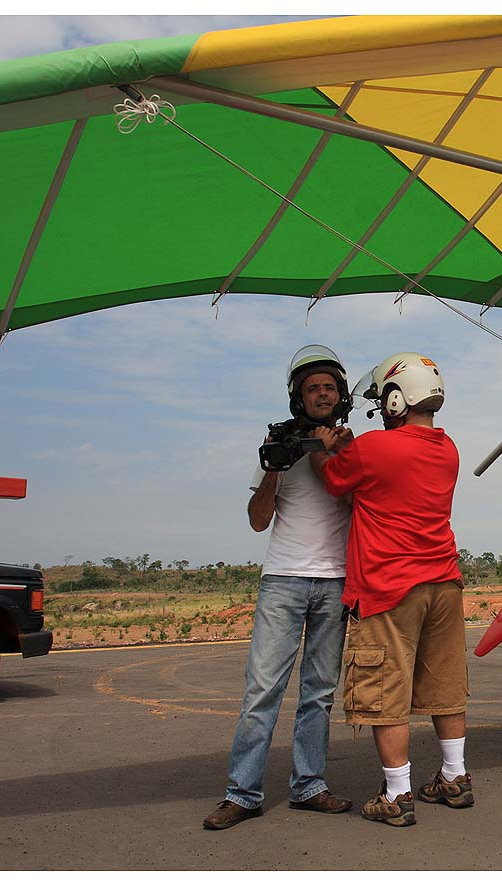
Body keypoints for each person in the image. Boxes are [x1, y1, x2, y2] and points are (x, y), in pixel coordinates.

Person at [309, 352, 470, 828]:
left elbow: (334, 478)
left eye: (384, 399)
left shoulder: (375, 447)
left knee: (384, 690)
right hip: (443, 583)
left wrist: (320, 447)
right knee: (444, 686)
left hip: (389, 587)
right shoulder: (448, 449)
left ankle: (397, 794)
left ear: (398, 399)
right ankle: (455, 777)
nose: (382, 407)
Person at [203, 345, 355, 831]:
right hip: (284, 580)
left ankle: (309, 786)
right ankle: (242, 793)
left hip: (334, 580)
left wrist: (337, 453)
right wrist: (275, 465)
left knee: (319, 694)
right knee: (262, 691)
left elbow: (366, 505)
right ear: (299, 398)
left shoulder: (351, 446)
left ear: (341, 394)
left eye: (329, 387)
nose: (322, 394)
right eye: (313, 389)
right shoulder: (278, 446)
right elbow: (257, 520)